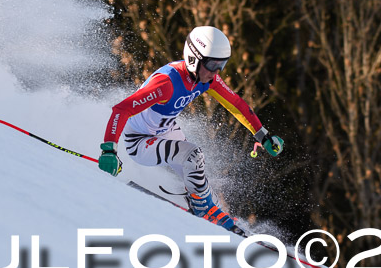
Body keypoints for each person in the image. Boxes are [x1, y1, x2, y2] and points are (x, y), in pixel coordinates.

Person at [98, 26, 283, 234]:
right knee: (193, 155)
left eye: (221, 65)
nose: (216, 72)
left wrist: (263, 135)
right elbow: (121, 110)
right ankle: (202, 211)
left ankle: (210, 212)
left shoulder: (206, 78)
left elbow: (236, 104)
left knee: (205, 187)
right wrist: (109, 150)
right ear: (194, 58)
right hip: (139, 141)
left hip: (166, 130)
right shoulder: (166, 83)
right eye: (213, 65)